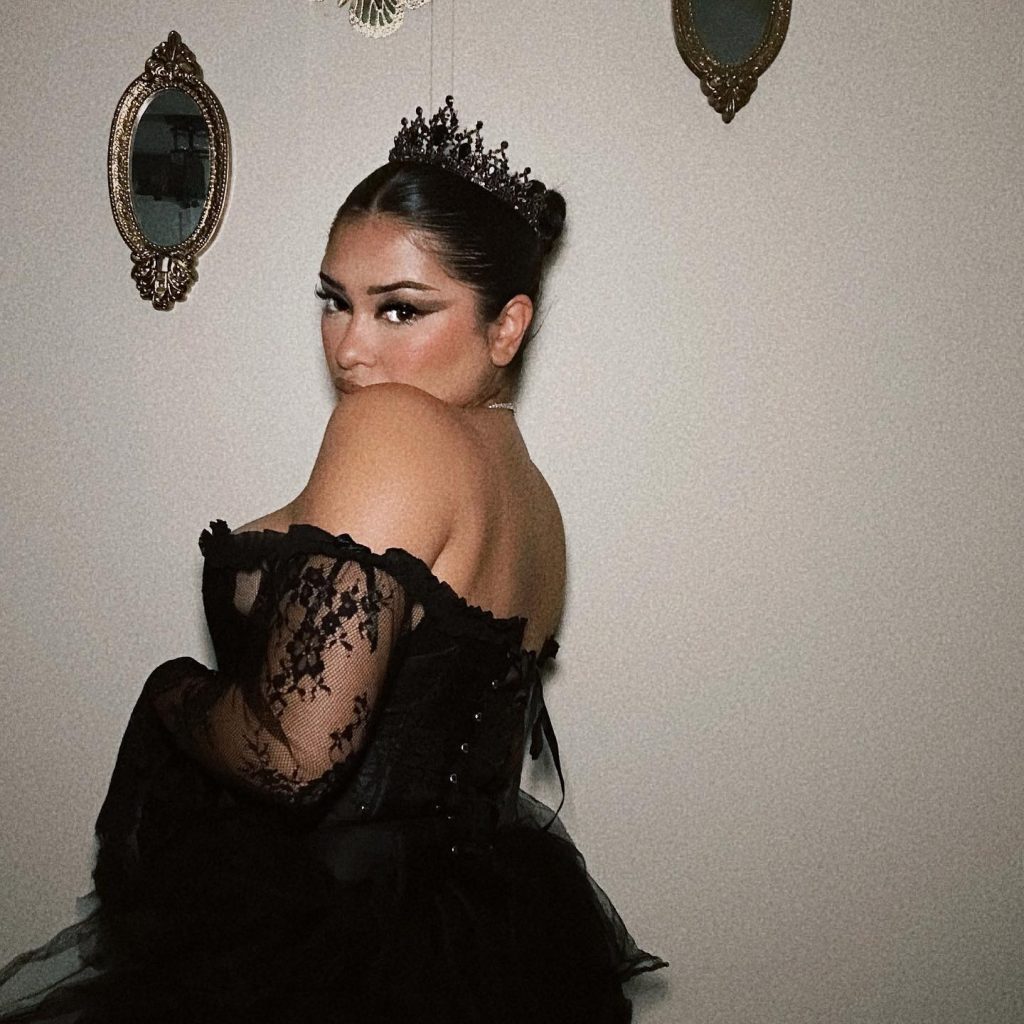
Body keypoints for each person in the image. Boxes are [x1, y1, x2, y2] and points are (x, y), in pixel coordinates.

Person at [0, 97, 666, 1023]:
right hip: (487, 942)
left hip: (329, 945)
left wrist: (171, 694)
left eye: (400, 309)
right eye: (335, 301)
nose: (351, 347)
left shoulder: (391, 427)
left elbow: (293, 755)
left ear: (507, 326)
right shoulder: (529, 494)